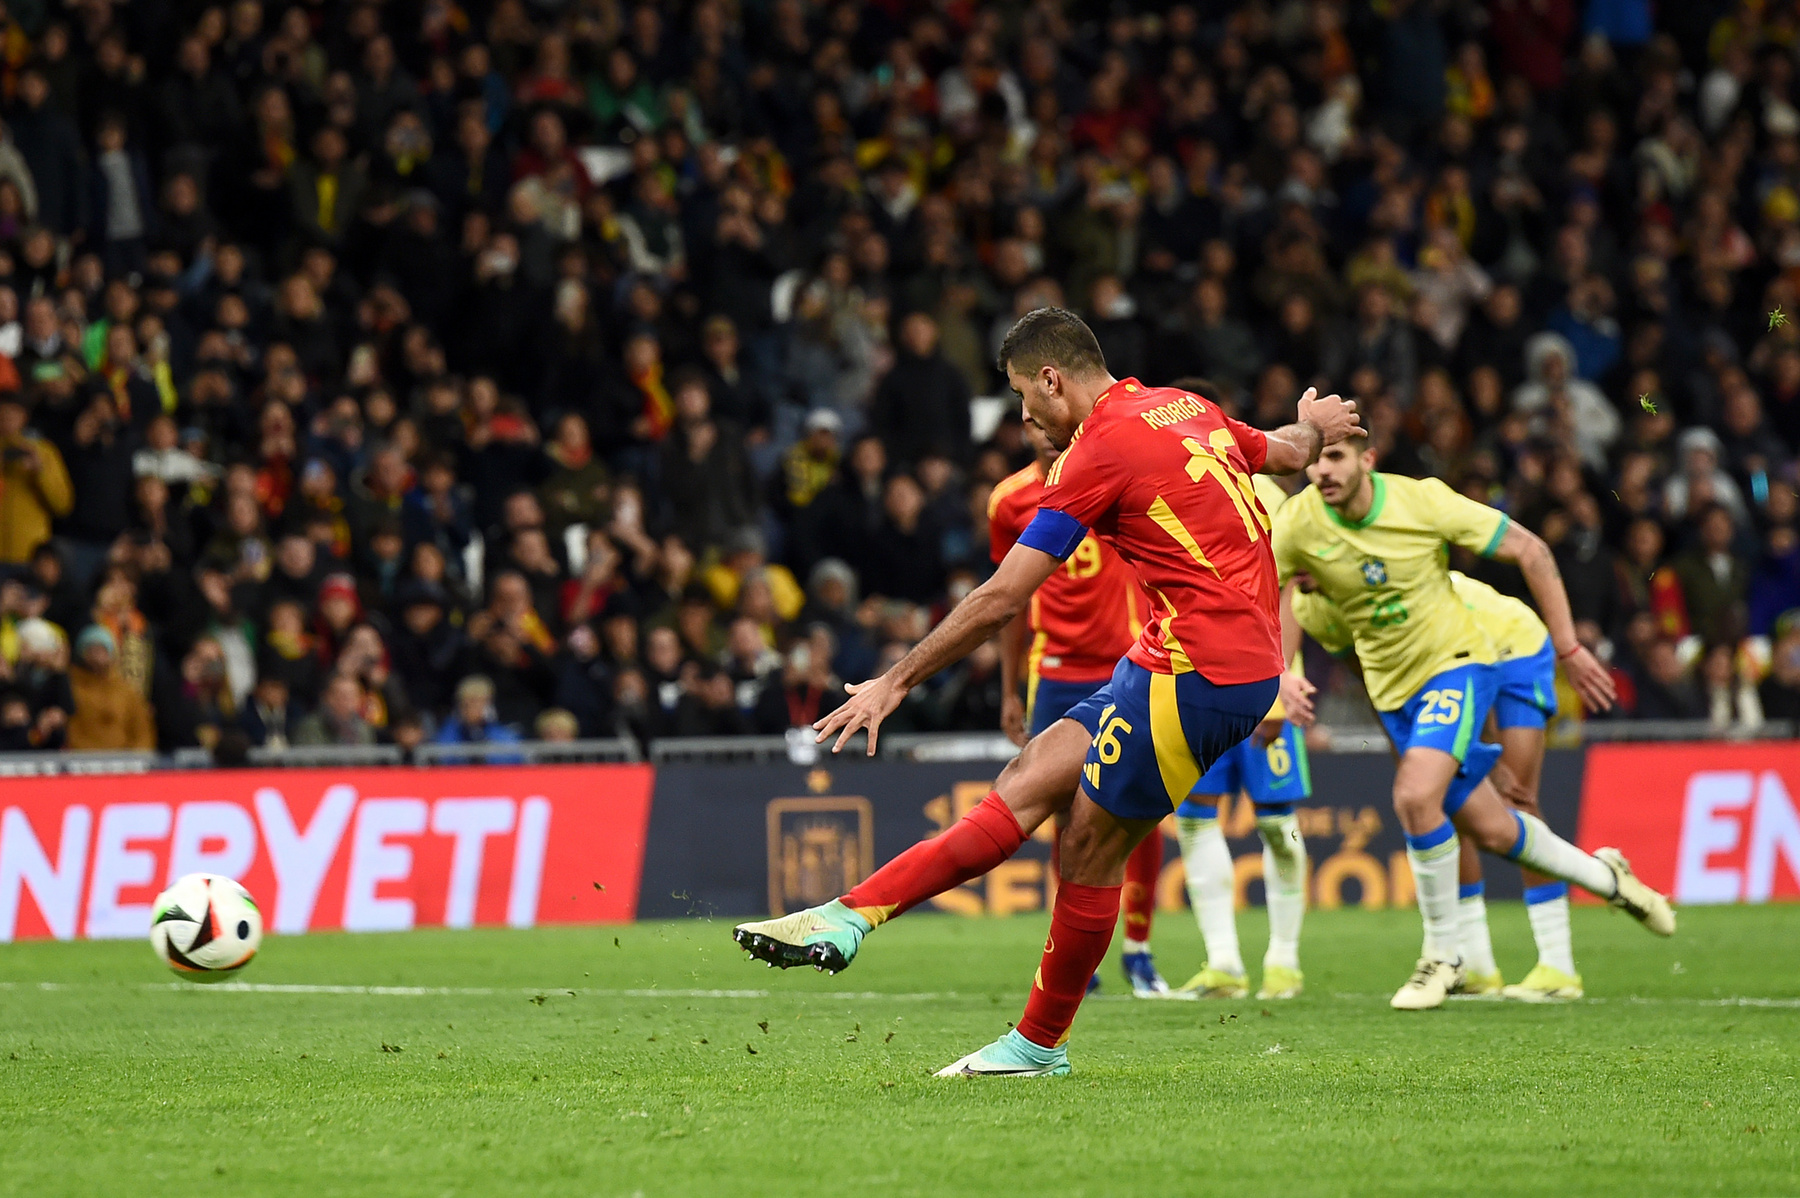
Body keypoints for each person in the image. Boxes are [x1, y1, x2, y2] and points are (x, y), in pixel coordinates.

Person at [734, 307, 1357, 1076]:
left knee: (1089, 845)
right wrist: (1315, 423)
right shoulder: (1184, 406)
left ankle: (1037, 1046)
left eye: (1023, 395)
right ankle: (847, 916)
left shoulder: (1097, 451)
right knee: (1025, 781)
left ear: (1053, 379)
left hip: (1205, 670)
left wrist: (896, 679)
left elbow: (1004, 596)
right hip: (1171, 653)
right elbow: (1288, 451)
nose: (1024, 415)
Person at [1271, 433, 1673, 1011]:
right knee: (1490, 827)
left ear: (1367, 459)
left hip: (1471, 660)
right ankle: (1609, 880)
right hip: (1394, 692)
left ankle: (1448, 957)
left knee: (1419, 795)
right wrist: (1282, 672)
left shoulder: (1424, 502)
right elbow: (1270, 587)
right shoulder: (1300, 531)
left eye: (1333, 458)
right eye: (1311, 463)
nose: (1321, 473)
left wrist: (1568, 646)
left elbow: (1532, 551)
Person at [989, 420, 1170, 997]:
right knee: (1062, 818)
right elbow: (1009, 597)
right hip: (1055, 673)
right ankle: (1074, 956)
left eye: (1052, 425)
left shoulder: (1110, 476)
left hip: (1128, 665)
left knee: (1138, 813)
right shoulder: (1009, 500)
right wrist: (1009, 688)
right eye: (1033, 426)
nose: (1045, 435)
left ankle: (1138, 951)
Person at [1173, 469, 1312, 1002]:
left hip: (1262, 683)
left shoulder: (1268, 497)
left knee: (1278, 824)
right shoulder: (1156, 490)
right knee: (1195, 816)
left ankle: (1284, 960)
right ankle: (1225, 964)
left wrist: (1280, 680)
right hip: (1194, 681)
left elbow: (1290, 587)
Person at [66, 625, 155, 750]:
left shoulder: (126, 691)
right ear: (82, 654)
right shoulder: (70, 686)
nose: (97, 656)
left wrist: (137, 759)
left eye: (102, 649)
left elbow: (142, 731)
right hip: (80, 760)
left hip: (121, 762)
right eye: (91, 650)